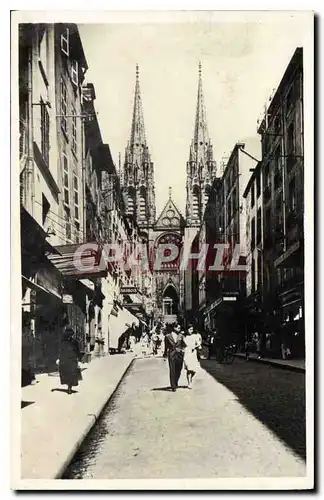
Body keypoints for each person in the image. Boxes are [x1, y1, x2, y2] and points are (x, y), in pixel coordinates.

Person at [57, 326, 82, 394]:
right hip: (65, 360)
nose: (69, 336)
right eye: (68, 334)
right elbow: (60, 350)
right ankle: (68, 385)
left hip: (72, 360)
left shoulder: (74, 342)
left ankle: (69, 388)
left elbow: (77, 351)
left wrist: (79, 360)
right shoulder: (63, 342)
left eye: (70, 334)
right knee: (66, 374)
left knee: (72, 374)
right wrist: (59, 358)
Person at [163, 323, 186, 392]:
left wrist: (182, 350)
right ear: (174, 328)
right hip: (172, 354)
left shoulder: (181, 336)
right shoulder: (167, 336)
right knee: (172, 370)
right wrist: (165, 354)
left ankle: (175, 382)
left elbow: (184, 345)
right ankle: (173, 386)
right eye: (178, 328)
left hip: (179, 354)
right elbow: (166, 346)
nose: (179, 329)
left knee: (179, 369)